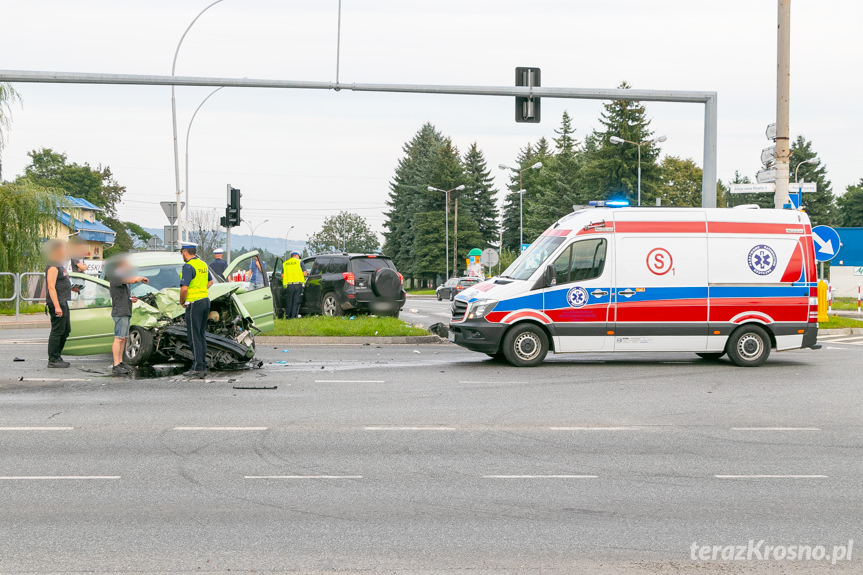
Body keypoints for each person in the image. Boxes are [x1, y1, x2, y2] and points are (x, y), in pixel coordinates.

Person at [108, 255, 148, 375]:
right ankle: (116, 364)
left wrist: (130, 299)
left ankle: (120, 362)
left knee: (124, 338)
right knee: (118, 338)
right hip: (120, 311)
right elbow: (132, 279)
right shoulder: (116, 275)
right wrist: (140, 278)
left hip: (125, 310)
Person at [179, 242, 213, 378]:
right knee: (201, 334)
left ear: (185, 252)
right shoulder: (202, 264)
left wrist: (182, 301)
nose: (182, 254)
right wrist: (201, 291)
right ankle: (202, 364)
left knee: (194, 336)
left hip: (194, 304)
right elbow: (210, 282)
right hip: (205, 301)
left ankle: (197, 367)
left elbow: (184, 288)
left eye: (181, 252)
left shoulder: (188, 266)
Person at [44, 240, 73, 368]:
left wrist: (73, 288)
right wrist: (56, 306)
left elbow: (61, 283)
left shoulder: (59, 265)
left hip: (63, 301)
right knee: (57, 331)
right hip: (57, 302)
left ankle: (57, 355)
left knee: (66, 330)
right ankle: (53, 359)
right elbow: (51, 287)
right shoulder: (52, 266)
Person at [282, 251, 307, 319]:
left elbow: (282, 275)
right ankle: (294, 316)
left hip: (289, 285)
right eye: (298, 256)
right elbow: (305, 274)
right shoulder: (299, 262)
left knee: (289, 301)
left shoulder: (285, 263)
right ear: (296, 256)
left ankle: (287, 316)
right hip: (298, 285)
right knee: (296, 301)